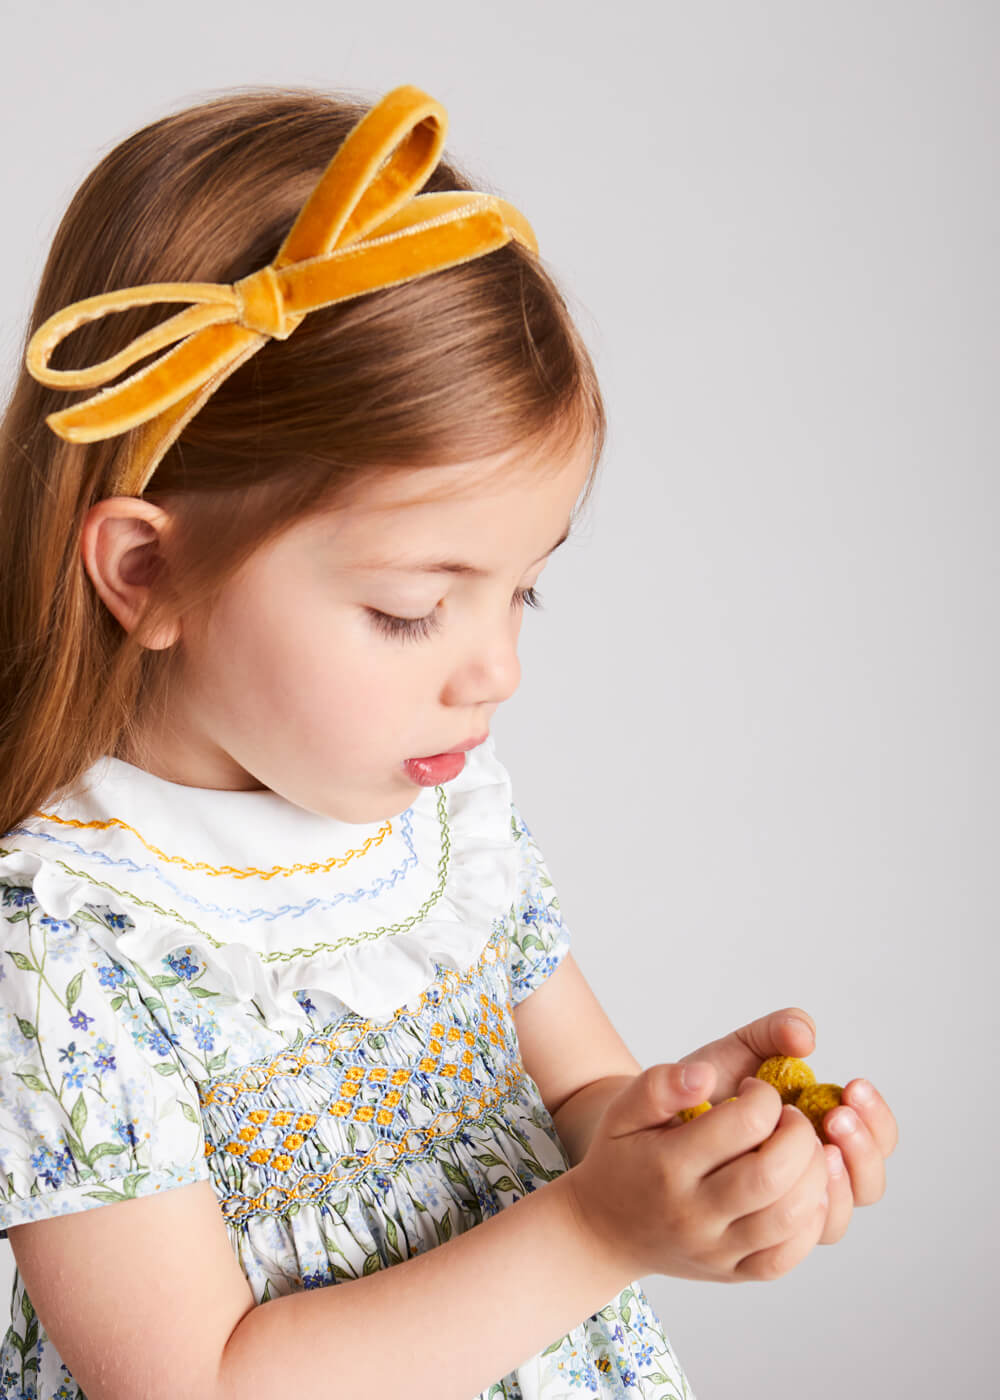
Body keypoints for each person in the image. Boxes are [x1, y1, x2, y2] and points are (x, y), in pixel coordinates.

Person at [0, 83, 897, 1400]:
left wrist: (693, 1161)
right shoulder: (61, 942)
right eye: (413, 609)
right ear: (148, 571)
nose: (498, 671)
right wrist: (599, 1232)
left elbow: (580, 1093)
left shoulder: (445, 822)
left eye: (522, 591)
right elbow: (198, 1381)